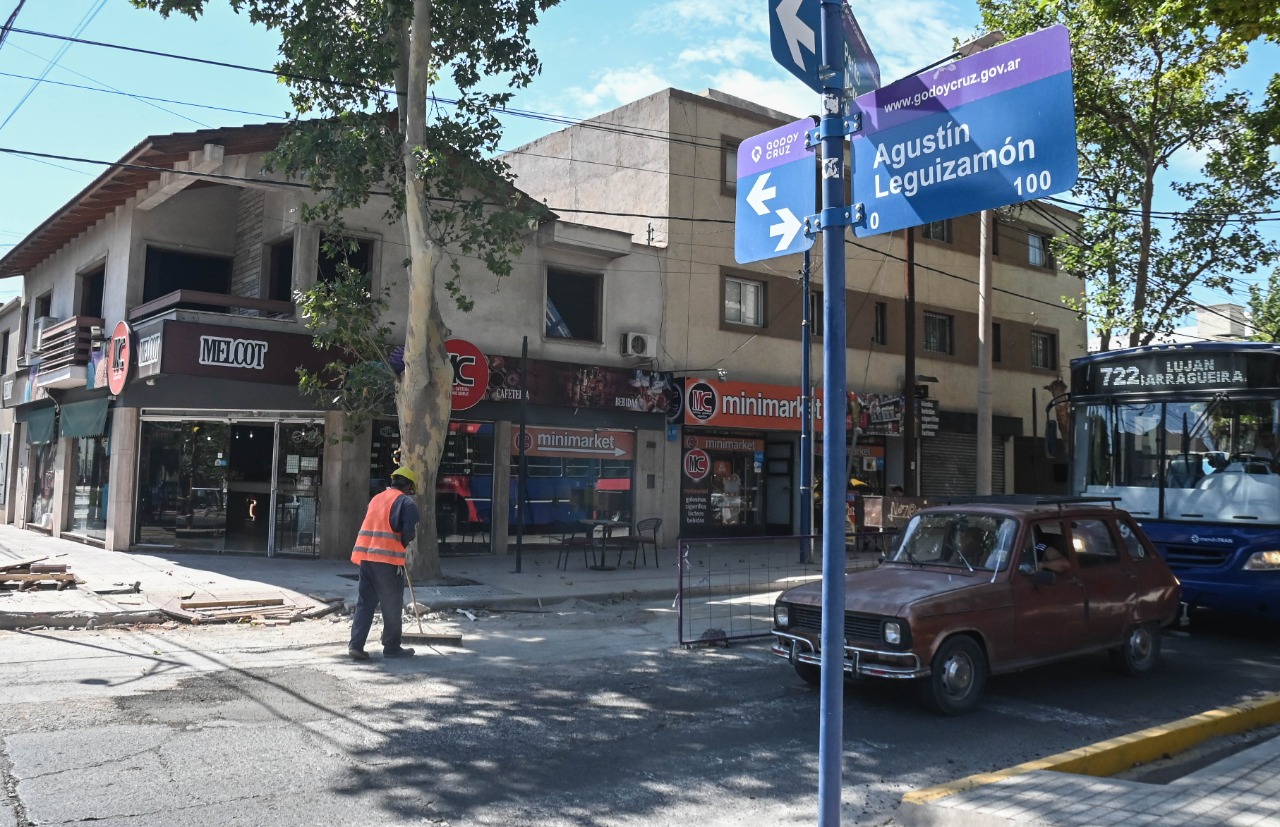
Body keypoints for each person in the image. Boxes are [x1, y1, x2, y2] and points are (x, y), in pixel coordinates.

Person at [349, 466, 421, 660]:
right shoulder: (407, 502)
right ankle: (392, 647)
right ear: (409, 486)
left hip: (367, 557)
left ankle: (356, 645)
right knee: (392, 604)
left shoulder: (377, 498)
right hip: (387, 561)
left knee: (365, 602)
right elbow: (409, 532)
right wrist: (402, 545)